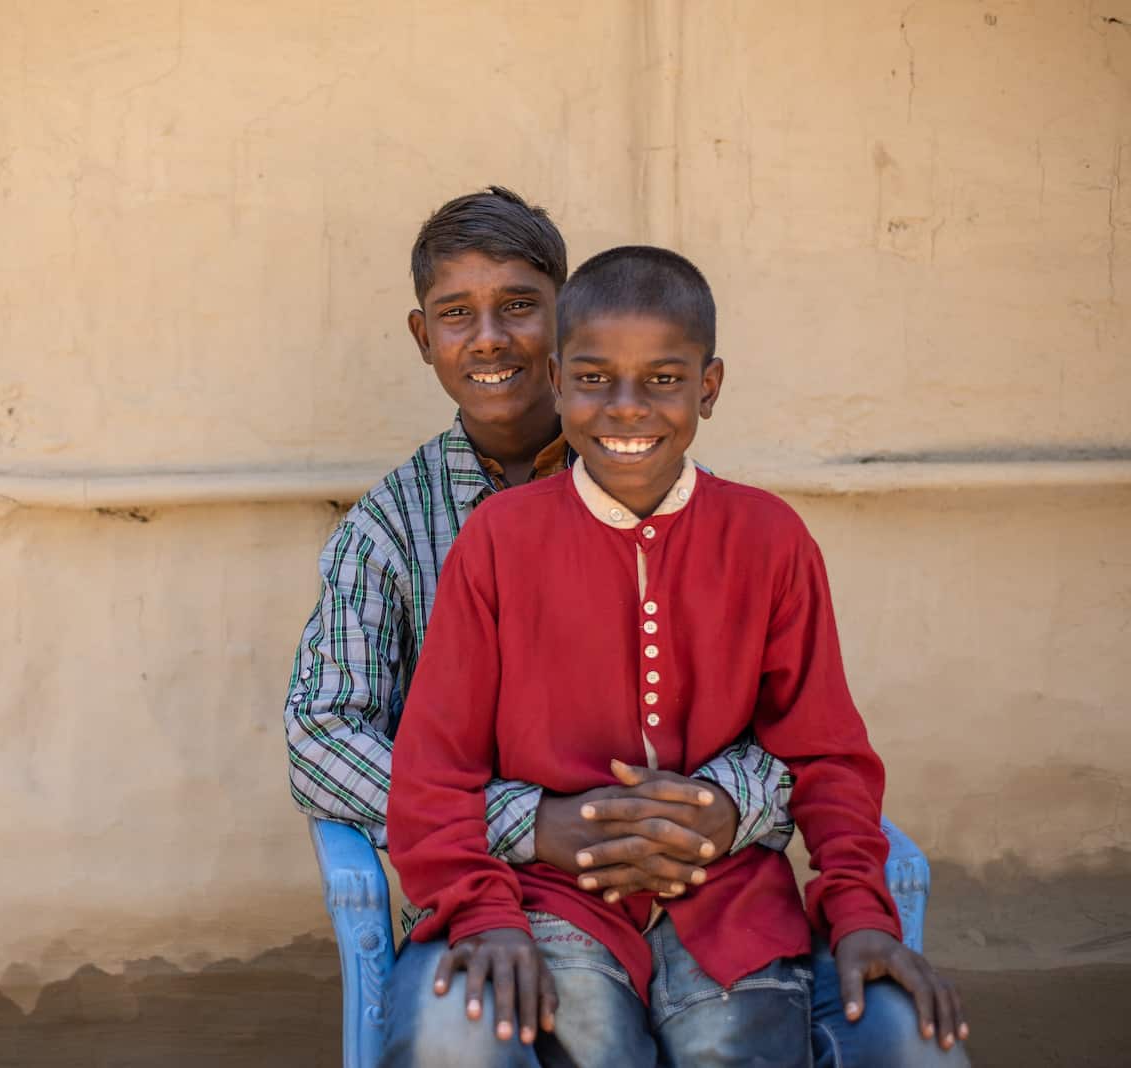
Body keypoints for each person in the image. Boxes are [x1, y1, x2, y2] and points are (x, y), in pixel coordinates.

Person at [283, 187, 889, 1064]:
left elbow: (798, 725)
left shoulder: (675, 483)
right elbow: (320, 740)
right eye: (459, 315)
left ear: (567, 328)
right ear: (425, 339)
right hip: (493, 890)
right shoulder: (390, 531)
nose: (490, 338)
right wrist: (531, 820)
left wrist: (710, 810)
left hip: (707, 882)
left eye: (521, 307)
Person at [385, 243, 970, 1066]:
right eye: (593, 378)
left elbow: (828, 754)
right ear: (556, 380)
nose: (627, 408)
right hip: (552, 903)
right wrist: (481, 913)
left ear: (709, 387)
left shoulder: (768, 538)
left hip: (731, 905)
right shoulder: (497, 542)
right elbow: (433, 769)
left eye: (663, 379)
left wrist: (862, 912)